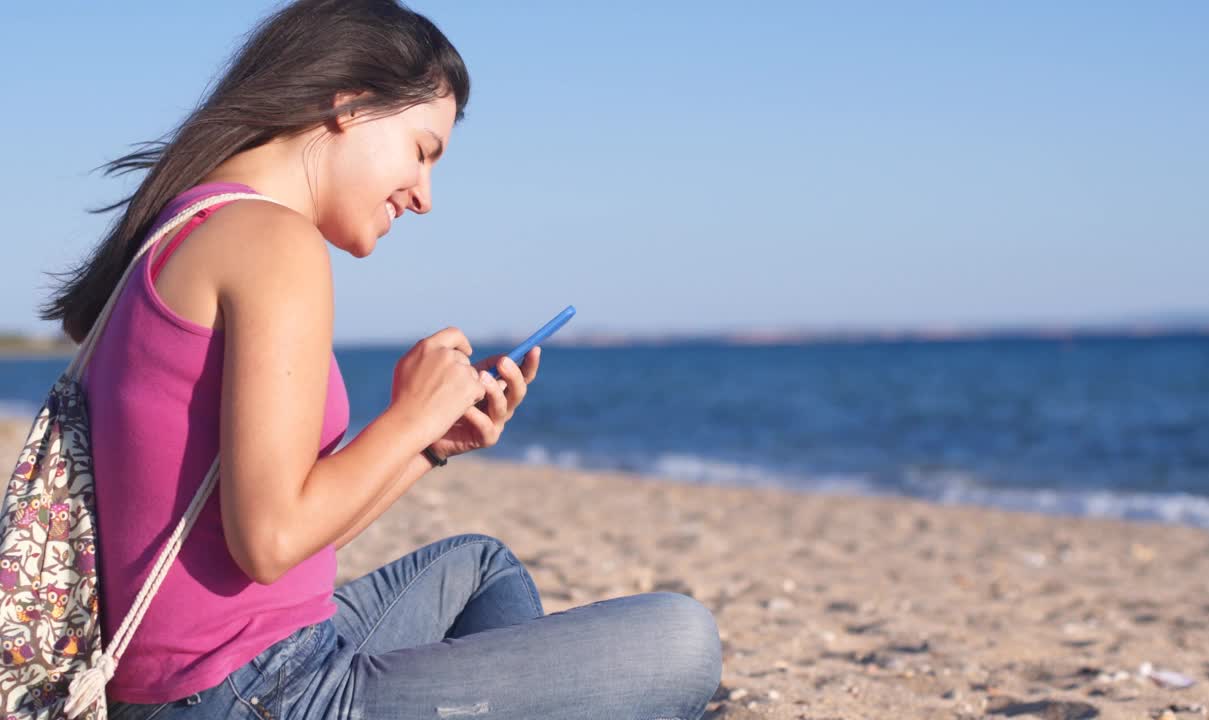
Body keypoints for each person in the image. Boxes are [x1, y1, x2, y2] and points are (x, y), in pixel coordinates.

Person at [40, 1, 722, 717]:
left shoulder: (186, 225)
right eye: (423, 151)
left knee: (479, 566)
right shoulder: (273, 241)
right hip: (250, 692)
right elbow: (269, 542)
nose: (425, 196)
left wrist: (424, 447)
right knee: (684, 639)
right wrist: (407, 417)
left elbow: (270, 536)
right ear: (351, 106)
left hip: (225, 671)